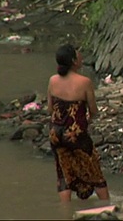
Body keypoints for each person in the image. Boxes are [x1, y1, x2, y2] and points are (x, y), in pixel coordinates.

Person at [47, 44, 109, 202]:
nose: (81, 57)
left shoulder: (53, 80)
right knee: (94, 172)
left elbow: (50, 109)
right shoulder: (85, 82)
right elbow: (93, 110)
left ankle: (66, 212)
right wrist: (87, 121)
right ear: (74, 61)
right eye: (78, 55)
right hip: (76, 133)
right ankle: (108, 207)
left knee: (63, 174)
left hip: (55, 133)